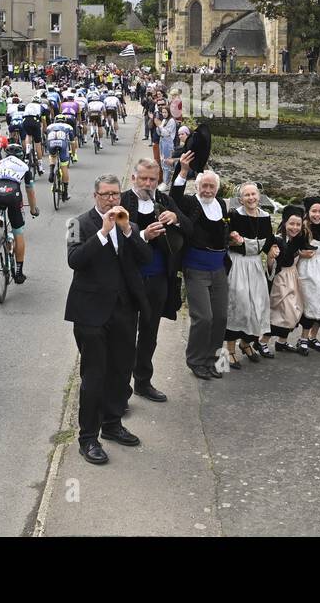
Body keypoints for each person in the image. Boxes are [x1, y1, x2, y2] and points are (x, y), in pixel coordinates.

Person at [64, 174, 153, 465]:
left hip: (124, 310)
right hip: (90, 312)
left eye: (116, 194)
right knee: (94, 375)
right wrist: (103, 233)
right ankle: (87, 438)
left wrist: (127, 230)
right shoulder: (79, 223)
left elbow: (145, 258)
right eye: (106, 195)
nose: (112, 200)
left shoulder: (130, 225)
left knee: (120, 370)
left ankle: (112, 424)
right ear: (95, 196)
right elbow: (75, 260)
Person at [121, 159, 191, 404]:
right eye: (144, 179)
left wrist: (177, 218)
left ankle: (142, 382)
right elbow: (111, 238)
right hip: (128, 281)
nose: (148, 184)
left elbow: (190, 229)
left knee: (149, 333)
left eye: (153, 179)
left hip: (159, 278)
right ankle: (120, 391)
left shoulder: (163, 201)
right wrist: (142, 235)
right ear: (134, 178)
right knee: (125, 335)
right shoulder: (121, 202)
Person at [171, 150, 230, 380]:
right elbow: (174, 198)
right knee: (203, 317)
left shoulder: (222, 205)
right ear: (197, 187)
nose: (207, 190)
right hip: (195, 268)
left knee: (221, 318)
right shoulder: (190, 203)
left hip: (219, 269)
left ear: (217, 189)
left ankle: (214, 361)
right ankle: (196, 361)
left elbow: (222, 232)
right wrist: (183, 172)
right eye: (203, 186)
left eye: (211, 187)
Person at [225, 182, 275, 363]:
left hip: (255, 265)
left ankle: (246, 343)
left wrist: (273, 251)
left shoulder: (265, 216)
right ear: (241, 199)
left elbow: (268, 241)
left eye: (253, 194)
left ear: (259, 196)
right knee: (238, 306)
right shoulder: (234, 215)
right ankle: (230, 350)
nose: (251, 198)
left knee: (258, 307)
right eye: (247, 195)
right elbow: (223, 238)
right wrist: (232, 240)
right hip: (238, 264)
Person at [0, 145, 38, 282]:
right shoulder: (24, 166)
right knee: (18, 232)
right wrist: (33, 209)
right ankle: (19, 273)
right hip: (12, 194)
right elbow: (30, 191)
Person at [268, 205, 311, 353]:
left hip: (293, 277)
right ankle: (262, 342)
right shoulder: (278, 240)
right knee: (280, 313)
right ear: (285, 223)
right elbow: (272, 263)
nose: (295, 227)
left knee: (293, 311)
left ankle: (282, 342)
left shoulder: (296, 239)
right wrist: (270, 258)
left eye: (298, 224)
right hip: (281, 279)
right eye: (291, 223)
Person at [296, 196, 320, 352]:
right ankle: (303, 338)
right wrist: (301, 253)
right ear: (308, 212)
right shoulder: (303, 228)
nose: (317, 215)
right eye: (314, 211)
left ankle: (313, 336)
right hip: (306, 268)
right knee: (309, 302)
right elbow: (292, 246)